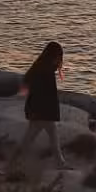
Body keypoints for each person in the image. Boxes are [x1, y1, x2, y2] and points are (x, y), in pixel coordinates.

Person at [12, 41, 69, 172]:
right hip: (42, 112)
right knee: (38, 138)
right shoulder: (46, 71)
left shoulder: (40, 67)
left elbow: (29, 87)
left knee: (34, 139)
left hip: (38, 111)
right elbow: (44, 94)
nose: (59, 60)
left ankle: (13, 164)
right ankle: (13, 165)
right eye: (58, 56)